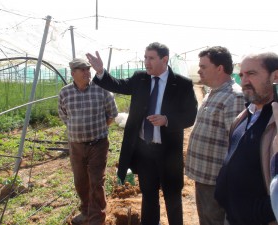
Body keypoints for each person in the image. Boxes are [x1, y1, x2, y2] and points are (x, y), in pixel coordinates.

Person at [86, 42, 198, 225]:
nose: (146, 62)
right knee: (149, 195)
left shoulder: (182, 84)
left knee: (172, 197)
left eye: (151, 58)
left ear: (164, 59)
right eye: (145, 57)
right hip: (144, 152)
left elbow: (190, 116)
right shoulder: (140, 79)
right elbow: (118, 85)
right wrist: (100, 72)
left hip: (168, 153)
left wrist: (167, 120)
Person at [215, 52, 278, 225]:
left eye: (252, 74)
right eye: (242, 75)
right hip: (232, 217)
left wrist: (263, 213)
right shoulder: (244, 117)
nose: (244, 81)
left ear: (275, 76)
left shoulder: (275, 121)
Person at [185, 46, 245, 225]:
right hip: (205, 176)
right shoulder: (212, 93)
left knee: (215, 221)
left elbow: (238, 145)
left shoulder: (234, 97)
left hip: (217, 180)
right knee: (206, 219)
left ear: (219, 68)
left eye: (203, 67)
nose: (198, 71)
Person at [58, 58, 118, 225]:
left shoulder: (101, 89)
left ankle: (96, 218)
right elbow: (63, 115)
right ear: (73, 73)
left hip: (97, 143)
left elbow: (112, 114)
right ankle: (86, 210)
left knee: (96, 181)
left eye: (87, 69)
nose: (87, 72)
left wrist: (99, 127)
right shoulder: (65, 92)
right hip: (76, 145)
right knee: (80, 180)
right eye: (82, 69)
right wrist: (77, 128)